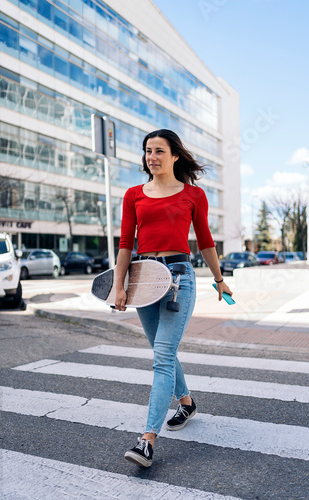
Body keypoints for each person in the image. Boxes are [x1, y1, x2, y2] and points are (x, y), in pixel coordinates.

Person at [115, 129, 232, 468]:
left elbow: (206, 240)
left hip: (180, 277)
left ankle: (146, 440)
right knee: (161, 351)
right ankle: (186, 401)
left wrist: (219, 279)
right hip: (144, 277)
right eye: (148, 151)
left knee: (163, 356)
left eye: (159, 151)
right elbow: (125, 244)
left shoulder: (194, 194)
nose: (152, 157)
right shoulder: (133, 194)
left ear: (175, 155)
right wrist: (119, 285)